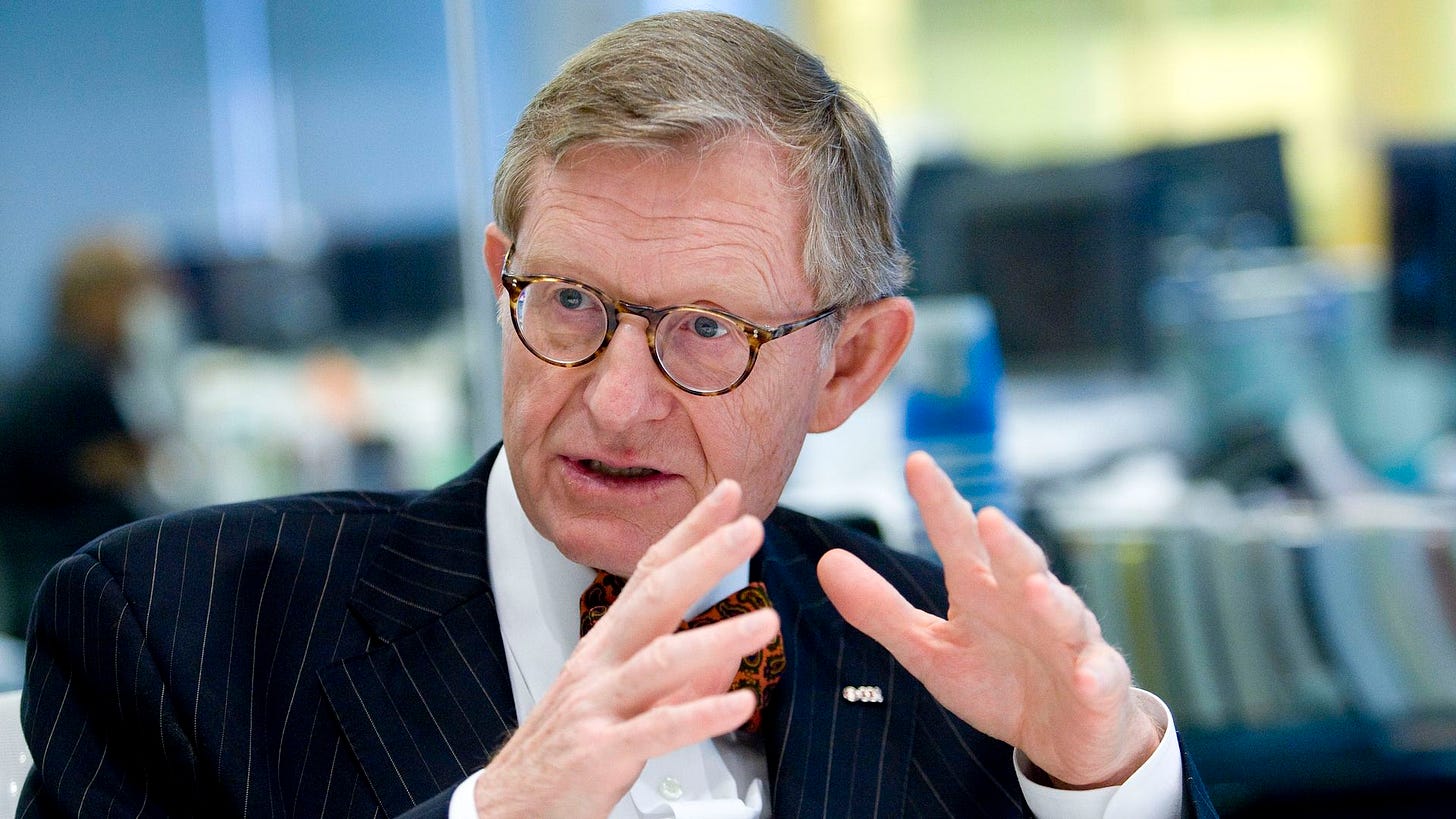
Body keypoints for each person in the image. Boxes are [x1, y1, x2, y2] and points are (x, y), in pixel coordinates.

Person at [19, 11, 1216, 818]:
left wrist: (1104, 784)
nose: (615, 397)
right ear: (502, 279)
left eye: (707, 328)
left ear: (850, 365)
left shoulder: (943, 655)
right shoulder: (181, 631)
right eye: (570, 302)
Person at [0, 231, 163, 637]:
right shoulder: (76, 380)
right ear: (100, 298)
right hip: (76, 596)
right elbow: (121, 468)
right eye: (135, 294)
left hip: (47, 587)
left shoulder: (44, 370)